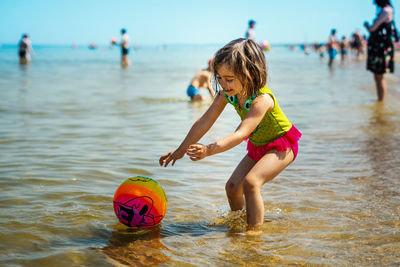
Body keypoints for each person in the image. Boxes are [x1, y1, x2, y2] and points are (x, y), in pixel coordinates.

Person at [160, 38, 301, 232]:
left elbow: (241, 132)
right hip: (258, 145)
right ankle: (240, 222)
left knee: (251, 183)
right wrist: (181, 149)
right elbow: (204, 121)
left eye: (229, 79)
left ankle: (254, 236)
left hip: (282, 145)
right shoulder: (228, 94)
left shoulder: (262, 100)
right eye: (219, 77)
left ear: (250, 74)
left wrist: (208, 150)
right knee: (233, 187)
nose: (223, 84)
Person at [364, 0, 398, 102]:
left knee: (379, 75)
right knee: (378, 76)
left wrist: (367, 26)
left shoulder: (386, 10)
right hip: (381, 47)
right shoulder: (388, 10)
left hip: (381, 48)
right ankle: (380, 100)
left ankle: (381, 100)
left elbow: (372, 28)